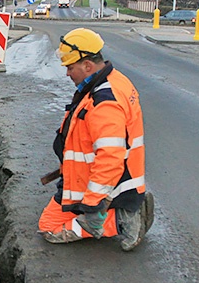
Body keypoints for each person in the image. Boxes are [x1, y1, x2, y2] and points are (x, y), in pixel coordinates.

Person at [37, 28, 154, 251]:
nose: (67, 73)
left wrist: (91, 204)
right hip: (89, 178)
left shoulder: (105, 101)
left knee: (50, 228)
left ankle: (123, 220)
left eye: (70, 68)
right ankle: (124, 210)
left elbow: (110, 158)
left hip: (101, 185)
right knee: (54, 222)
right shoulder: (110, 81)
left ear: (87, 66)